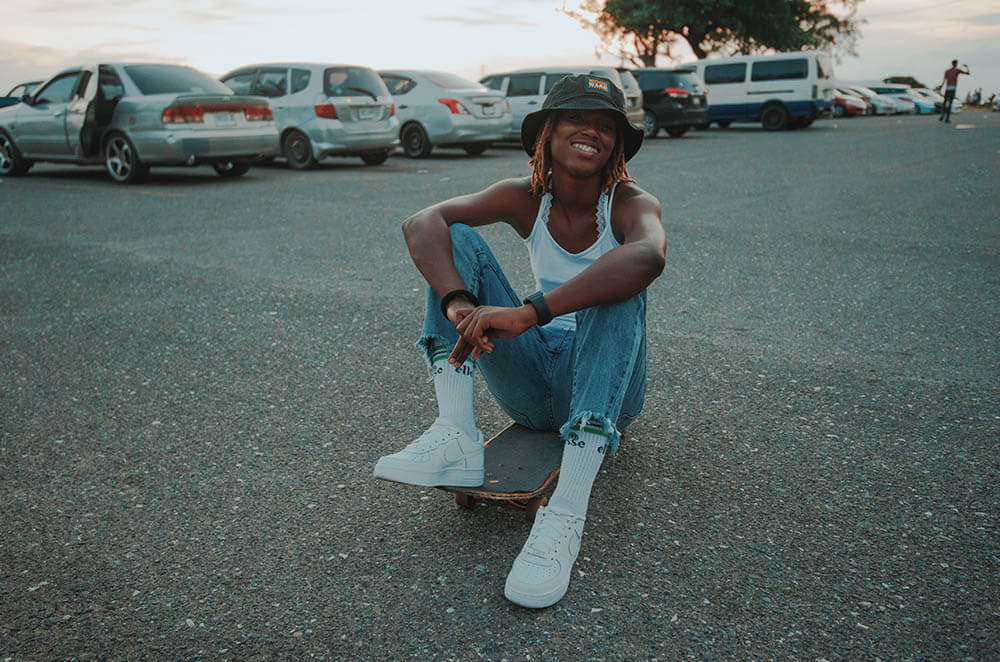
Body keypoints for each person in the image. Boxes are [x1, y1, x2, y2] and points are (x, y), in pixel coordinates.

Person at [373, 74, 666, 609]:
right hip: (534, 388)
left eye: (605, 126)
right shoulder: (525, 197)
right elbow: (422, 221)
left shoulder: (629, 203)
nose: (591, 132)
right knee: (455, 237)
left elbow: (647, 257)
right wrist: (457, 303)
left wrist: (530, 313)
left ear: (617, 146)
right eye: (577, 119)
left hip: (603, 386)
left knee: (621, 280)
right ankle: (456, 432)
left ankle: (565, 518)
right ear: (546, 135)